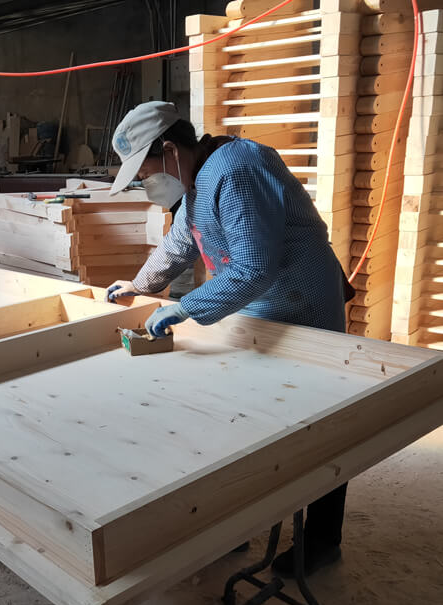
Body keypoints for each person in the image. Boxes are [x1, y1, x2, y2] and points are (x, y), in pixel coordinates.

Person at [106, 101, 353, 578]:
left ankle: (320, 542)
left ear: (171, 149)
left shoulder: (237, 169)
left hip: (301, 305)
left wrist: (188, 307)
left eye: (146, 170)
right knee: (246, 420)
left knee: (317, 426)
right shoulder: (199, 178)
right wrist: (140, 284)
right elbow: (180, 243)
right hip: (255, 306)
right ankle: (235, 526)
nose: (145, 182)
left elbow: (253, 265)